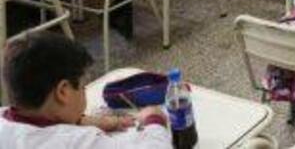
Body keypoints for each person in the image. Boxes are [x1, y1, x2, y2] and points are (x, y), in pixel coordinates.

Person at [0, 32, 171, 148]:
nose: (84, 91)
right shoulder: (79, 141)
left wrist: (90, 121)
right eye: (82, 86)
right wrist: (154, 119)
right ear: (63, 92)